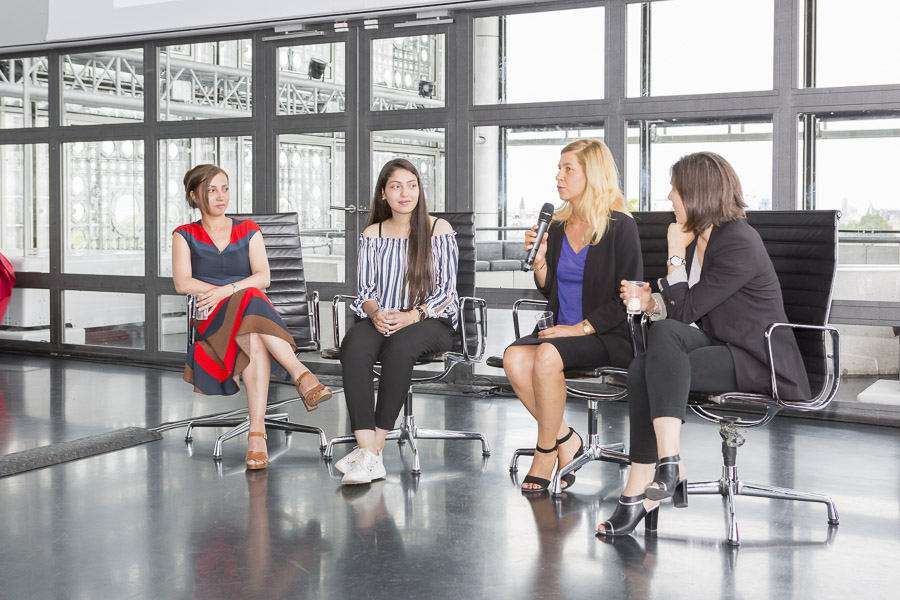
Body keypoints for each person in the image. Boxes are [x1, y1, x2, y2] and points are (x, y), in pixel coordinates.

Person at [596, 151, 810, 536]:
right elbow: (681, 307)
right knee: (646, 360)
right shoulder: (703, 240)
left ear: (697, 194)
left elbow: (686, 308)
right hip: (720, 343)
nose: (669, 199)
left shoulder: (738, 241)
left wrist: (674, 254)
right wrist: (651, 302)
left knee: (650, 364)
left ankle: (647, 483)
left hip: (757, 359)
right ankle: (664, 467)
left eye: (674, 190)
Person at [502, 139, 642, 492]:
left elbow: (627, 297)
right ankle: (566, 438)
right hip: (562, 329)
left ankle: (545, 451)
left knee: (546, 356)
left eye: (568, 169)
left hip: (607, 334)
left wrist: (579, 329)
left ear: (591, 175)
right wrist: (540, 262)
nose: (558, 176)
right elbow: (551, 290)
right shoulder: (560, 227)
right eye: (559, 168)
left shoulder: (620, 227)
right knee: (515, 358)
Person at [172, 164, 332, 471]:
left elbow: (265, 276)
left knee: (253, 325)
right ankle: (301, 376)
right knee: (249, 296)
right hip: (213, 321)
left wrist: (230, 290)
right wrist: (226, 293)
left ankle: (256, 436)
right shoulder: (184, 234)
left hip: (252, 321)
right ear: (194, 196)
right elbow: (183, 283)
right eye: (211, 190)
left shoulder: (248, 230)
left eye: (225, 188)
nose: (221, 196)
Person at [334, 158, 459, 485]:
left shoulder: (438, 229)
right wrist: (376, 314)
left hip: (430, 321)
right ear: (383, 194)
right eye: (396, 186)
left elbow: (447, 291)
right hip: (385, 316)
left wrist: (412, 315)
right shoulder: (372, 232)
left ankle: (372, 450)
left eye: (412, 185)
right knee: (355, 345)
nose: (405, 193)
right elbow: (364, 290)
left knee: (400, 347)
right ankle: (369, 452)